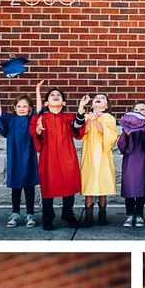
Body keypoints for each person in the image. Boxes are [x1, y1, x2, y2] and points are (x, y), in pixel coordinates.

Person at [30, 87, 89, 230]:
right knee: (48, 186)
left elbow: (77, 126)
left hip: (66, 155)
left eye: (58, 95)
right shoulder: (39, 118)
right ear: (46, 103)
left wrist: (81, 109)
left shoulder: (68, 117)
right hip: (48, 156)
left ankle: (67, 214)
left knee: (68, 184)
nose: (55, 96)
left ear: (63, 103)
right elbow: (35, 134)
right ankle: (47, 217)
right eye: (52, 95)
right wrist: (38, 129)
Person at [0, 84, 41, 228]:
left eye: (25, 106)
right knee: (16, 187)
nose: (22, 109)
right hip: (15, 156)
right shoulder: (11, 120)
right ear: (14, 108)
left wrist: (37, 91)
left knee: (29, 186)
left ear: (29, 108)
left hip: (29, 156)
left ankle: (30, 214)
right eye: (19, 106)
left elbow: (39, 110)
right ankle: (15, 213)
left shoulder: (32, 119)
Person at [80, 93, 118, 226]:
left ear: (106, 105)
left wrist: (96, 121)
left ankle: (102, 214)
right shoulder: (85, 117)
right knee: (89, 183)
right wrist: (89, 118)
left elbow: (109, 136)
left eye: (102, 98)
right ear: (91, 104)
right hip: (89, 153)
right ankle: (88, 216)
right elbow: (81, 132)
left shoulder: (109, 118)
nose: (99, 99)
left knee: (102, 183)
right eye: (97, 97)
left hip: (103, 154)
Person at [117, 103, 145, 227]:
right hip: (129, 161)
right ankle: (129, 215)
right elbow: (122, 147)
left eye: (142, 109)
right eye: (136, 109)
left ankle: (139, 214)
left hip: (142, 161)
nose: (139, 111)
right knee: (129, 187)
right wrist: (126, 135)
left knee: (141, 187)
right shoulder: (126, 128)